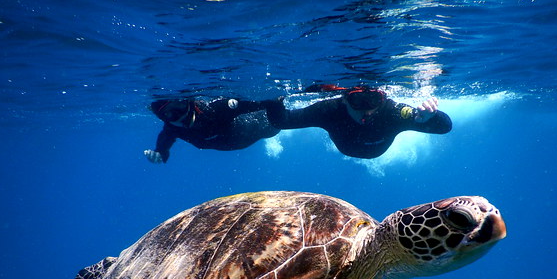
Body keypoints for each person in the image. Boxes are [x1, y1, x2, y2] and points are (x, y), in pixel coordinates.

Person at [263, 85, 452, 159]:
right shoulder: (328, 110)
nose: (368, 109)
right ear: (344, 98)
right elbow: (282, 121)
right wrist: (273, 98)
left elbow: (445, 127)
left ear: (383, 99)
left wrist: (430, 116)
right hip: (348, 147)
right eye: (358, 101)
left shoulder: (393, 111)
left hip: (374, 151)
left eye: (374, 101)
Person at [144, 97, 279, 163]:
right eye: (169, 113)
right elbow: (163, 148)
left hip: (257, 128)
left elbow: (265, 102)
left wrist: (276, 104)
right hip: (237, 142)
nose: (180, 115)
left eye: (179, 105)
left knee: (275, 127)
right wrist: (159, 153)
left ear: (188, 102)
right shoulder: (172, 129)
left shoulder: (215, 108)